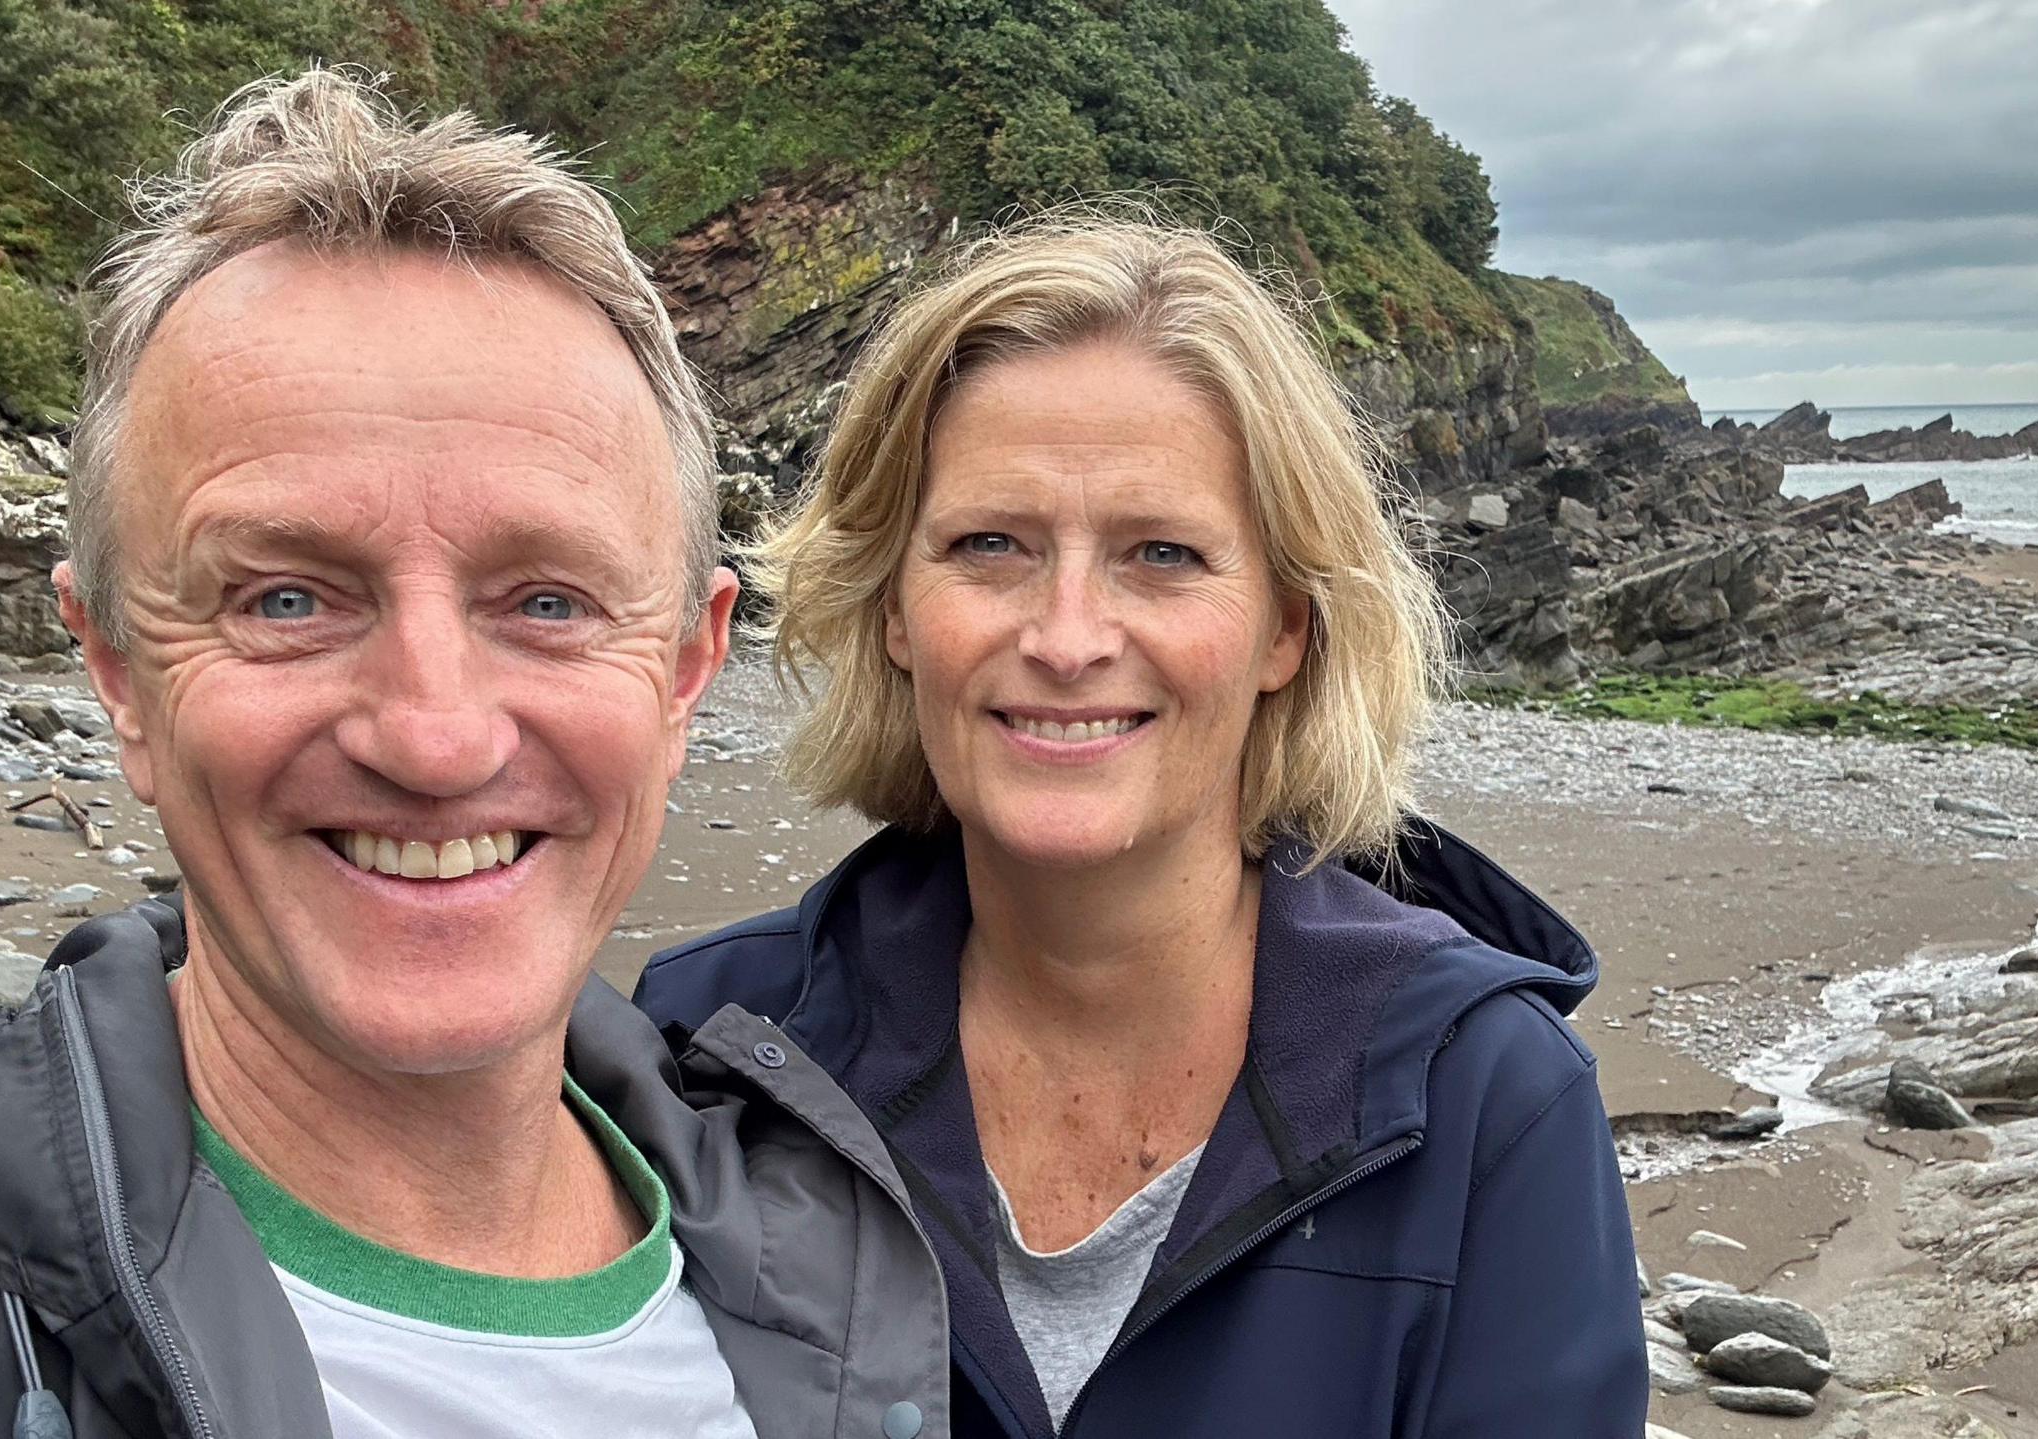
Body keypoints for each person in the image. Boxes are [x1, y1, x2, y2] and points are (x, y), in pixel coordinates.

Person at [0, 70, 950, 1439]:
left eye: (549, 602)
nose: (435, 735)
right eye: (288, 598)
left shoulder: (847, 1269)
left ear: (690, 663)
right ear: (115, 663)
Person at [635, 212, 1648, 1437]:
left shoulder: (1487, 1098)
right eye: (989, 543)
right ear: (893, 604)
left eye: (1161, 552)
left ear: (1287, 626)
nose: (1066, 636)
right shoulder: (713, 1050)